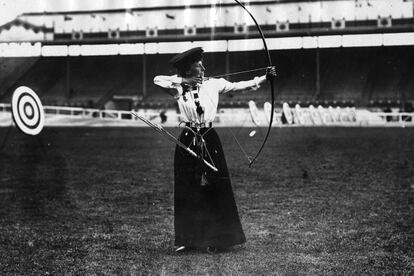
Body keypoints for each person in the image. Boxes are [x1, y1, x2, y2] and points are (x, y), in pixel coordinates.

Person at [153, 47, 276, 253]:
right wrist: (184, 82)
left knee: (216, 186)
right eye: (198, 64)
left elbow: (240, 86)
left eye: (202, 63)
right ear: (188, 67)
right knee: (187, 187)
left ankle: (220, 239)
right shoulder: (178, 86)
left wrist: (264, 77)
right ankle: (188, 239)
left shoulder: (214, 83)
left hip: (209, 137)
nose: (203, 67)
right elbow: (157, 79)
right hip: (188, 137)